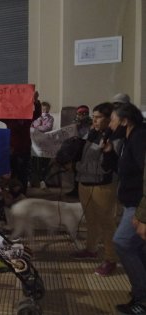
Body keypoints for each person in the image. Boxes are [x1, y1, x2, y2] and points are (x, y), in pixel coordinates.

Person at [104, 103, 146, 314]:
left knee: (122, 242)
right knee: (138, 248)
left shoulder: (140, 137)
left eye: (112, 120)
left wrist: (143, 216)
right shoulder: (128, 139)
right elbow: (125, 171)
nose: (110, 125)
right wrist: (111, 153)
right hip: (131, 203)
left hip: (139, 204)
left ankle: (142, 298)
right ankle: (141, 294)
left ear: (125, 120)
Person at [70, 102, 119, 276]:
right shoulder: (93, 133)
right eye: (94, 116)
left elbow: (110, 165)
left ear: (110, 119)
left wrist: (107, 152)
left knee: (106, 223)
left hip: (102, 185)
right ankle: (91, 249)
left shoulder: (114, 137)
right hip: (85, 182)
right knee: (91, 219)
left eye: (99, 117)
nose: (94, 120)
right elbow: (85, 155)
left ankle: (110, 259)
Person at [30, 101, 54, 188]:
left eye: (46, 110)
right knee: (34, 162)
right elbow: (32, 125)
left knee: (44, 162)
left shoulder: (51, 118)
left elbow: (47, 127)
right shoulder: (36, 117)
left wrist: (37, 127)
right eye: (43, 109)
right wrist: (38, 122)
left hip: (45, 143)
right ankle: (32, 180)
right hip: (35, 143)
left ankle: (42, 180)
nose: (44, 111)